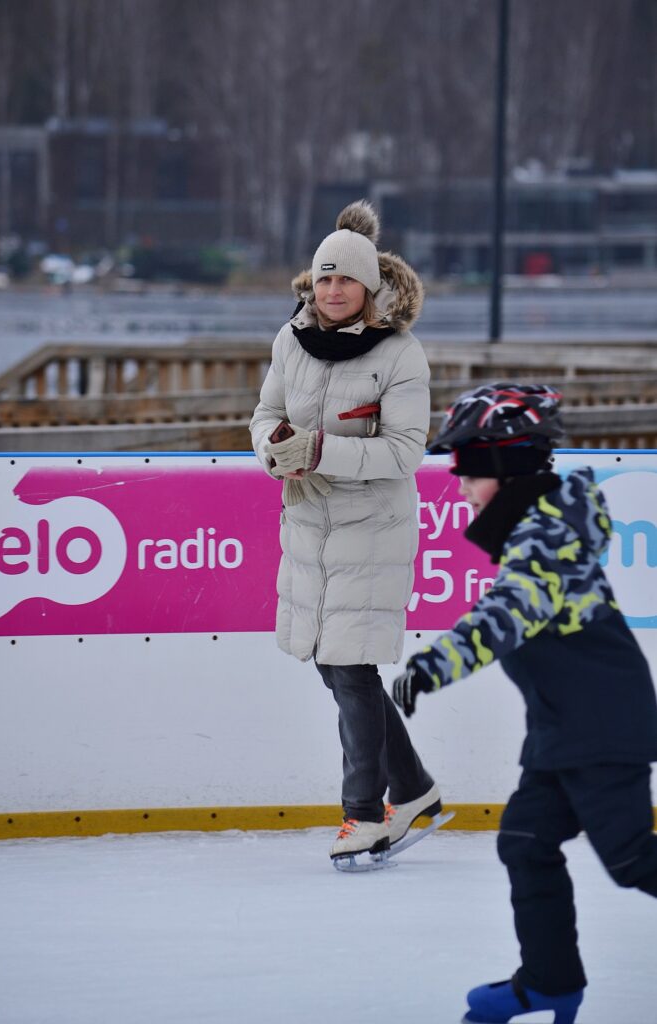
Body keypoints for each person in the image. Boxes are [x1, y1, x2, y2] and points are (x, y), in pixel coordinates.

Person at [392, 382, 657, 1024]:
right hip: (563, 730)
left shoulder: (545, 539)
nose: (459, 485)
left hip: (601, 727)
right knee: (526, 841)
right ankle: (550, 982)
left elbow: (507, 614)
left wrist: (433, 663)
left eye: (468, 469)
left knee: (629, 861)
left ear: (505, 465)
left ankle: (550, 981)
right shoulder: (543, 525)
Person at [250, 200, 441, 863]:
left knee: (352, 673)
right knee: (335, 672)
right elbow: (266, 412)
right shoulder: (289, 339)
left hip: (372, 530)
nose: (333, 291)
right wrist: (274, 447)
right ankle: (414, 788)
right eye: (323, 279)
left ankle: (365, 813)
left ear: (369, 287)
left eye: (345, 280)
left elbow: (403, 454)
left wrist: (319, 449)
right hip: (308, 525)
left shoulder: (400, 355)